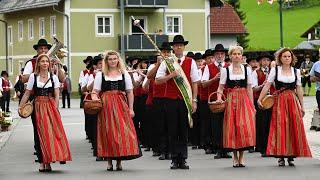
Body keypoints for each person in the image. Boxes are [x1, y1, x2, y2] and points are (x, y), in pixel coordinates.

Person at [258, 48, 312, 166]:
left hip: (292, 101)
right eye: (284, 56)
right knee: (280, 126)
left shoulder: (296, 71)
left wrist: (302, 106)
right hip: (280, 101)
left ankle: (291, 155)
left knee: (293, 126)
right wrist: (259, 99)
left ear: (292, 58)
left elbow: (299, 89)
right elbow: (267, 85)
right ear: (280, 58)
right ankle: (281, 156)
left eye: (289, 56)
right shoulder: (275, 70)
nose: (287, 58)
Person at [19, 54, 72, 172]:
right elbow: (27, 93)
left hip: (50, 105)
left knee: (52, 134)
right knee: (40, 134)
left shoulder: (54, 77)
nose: (44, 63)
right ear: (38, 63)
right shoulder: (33, 76)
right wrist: (21, 107)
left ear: (49, 64)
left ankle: (50, 160)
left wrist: (56, 108)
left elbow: (57, 95)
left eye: (46, 62)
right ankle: (43, 162)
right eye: (42, 61)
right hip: (38, 106)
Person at [155, 35, 200, 169]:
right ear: (173, 48)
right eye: (176, 45)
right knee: (173, 130)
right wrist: (171, 75)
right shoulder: (167, 61)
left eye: (180, 45)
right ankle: (174, 158)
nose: (178, 47)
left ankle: (183, 158)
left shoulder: (191, 61)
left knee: (184, 130)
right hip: (170, 100)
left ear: (184, 47)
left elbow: (194, 82)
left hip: (185, 100)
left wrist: (194, 100)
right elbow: (157, 80)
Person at [92, 50, 141, 171]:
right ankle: (109, 161)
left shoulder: (124, 74)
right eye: (110, 59)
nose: (113, 61)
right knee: (108, 132)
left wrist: (131, 109)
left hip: (121, 105)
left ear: (118, 60)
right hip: (106, 106)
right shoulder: (101, 75)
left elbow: (130, 92)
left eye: (115, 59)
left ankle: (119, 161)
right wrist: (95, 100)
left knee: (121, 132)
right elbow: (95, 91)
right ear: (106, 61)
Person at [216, 45, 256, 167]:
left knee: (243, 127)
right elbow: (221, 87)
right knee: (232, 128)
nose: (237, 56)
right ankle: (234, 157)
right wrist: (218, 98)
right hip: (231, 99)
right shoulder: (225, 70)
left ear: (242, 56)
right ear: (230, 56)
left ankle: (242, 157)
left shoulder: (247, 70)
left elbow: (249, 88)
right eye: (234, 54)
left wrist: (252, 105)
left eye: (239, 54)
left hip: (244, 100)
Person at [201, 44, 231, 159]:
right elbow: (203, 84)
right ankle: (218, 149)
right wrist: (214, 79)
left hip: (227, 99)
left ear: (225, 55)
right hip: (214, 100)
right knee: (215, 125)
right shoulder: (208, 67)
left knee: (226, 124)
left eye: (222, 54)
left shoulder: (229, 66)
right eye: (217, 54)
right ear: (214, 56)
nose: (220, 56)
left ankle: (226, 149)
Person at [252, 52, 274, 156]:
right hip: (260, 101)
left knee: (271, 124)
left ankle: (272, 147)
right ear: (260, 61)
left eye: (268, 60)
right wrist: (262, 86)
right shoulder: (256, 72)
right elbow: (253, 88)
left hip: (272, 101)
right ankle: (262, 148)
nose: (266, 62)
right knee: (262, 125)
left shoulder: (274, 72)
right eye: (264, 60)